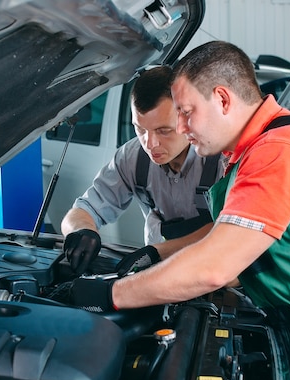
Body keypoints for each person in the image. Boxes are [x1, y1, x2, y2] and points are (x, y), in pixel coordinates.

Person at [71, 41, 290, 380]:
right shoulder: (260, 146)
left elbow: (216, 266)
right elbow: (227, 240)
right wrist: (144, 253)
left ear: (222, 99)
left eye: (186, 112)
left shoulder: (279, 152)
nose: (182, 128)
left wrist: (111, 293)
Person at [61, 66, 222, 275]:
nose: (150, 143)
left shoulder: (221, 160)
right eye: (140, 129)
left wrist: (155, 252)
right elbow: (83, 210)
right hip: (158, 275)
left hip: (215, 277)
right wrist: (81, 230)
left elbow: (228, 232)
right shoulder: (132, 157)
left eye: (163, 130)